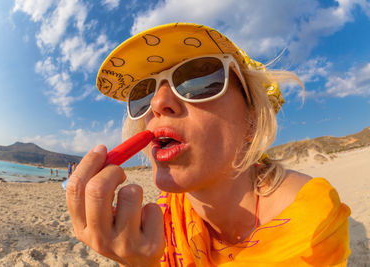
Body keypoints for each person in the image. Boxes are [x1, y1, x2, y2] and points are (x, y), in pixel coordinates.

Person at [66, 23, 350, 266]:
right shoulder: (162, 218)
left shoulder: (314, 226)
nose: (157, 103)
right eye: (143, 93)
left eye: (197, 79)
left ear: (252, 120)